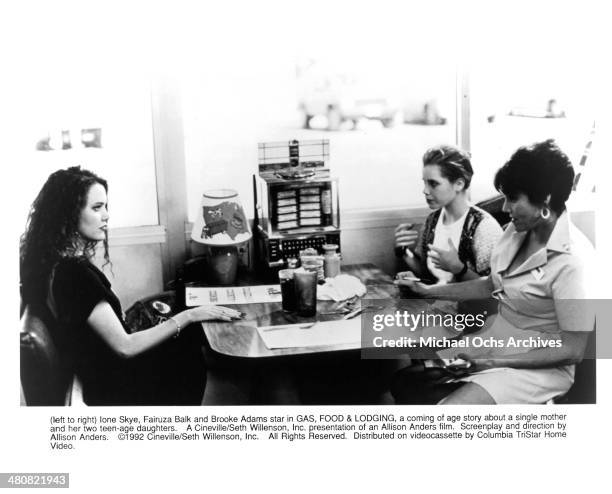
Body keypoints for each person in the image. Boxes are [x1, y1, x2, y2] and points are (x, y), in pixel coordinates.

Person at [393, 139, 595, 404]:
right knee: (403, 384)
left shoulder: (573, 260)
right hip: (500, 342)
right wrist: (428, 290)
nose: (504, 209)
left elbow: (573, 350)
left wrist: (491, 360)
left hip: (538, 367)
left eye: (513, 199)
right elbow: (492, 283)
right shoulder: (518, 230)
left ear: (544, 198)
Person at [20, 167, 242, 405]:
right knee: (188, 348)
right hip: (114, 385)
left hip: (105, 375)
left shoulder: (57, 264)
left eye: (106, 206)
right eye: (96, 208)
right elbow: (125, 346)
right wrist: (190, 315)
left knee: (185, 338)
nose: (106, 215)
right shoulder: (73, 274)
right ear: (68, 214)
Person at [394, 145, 502, 285]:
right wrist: (403, 251)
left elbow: (496, 289)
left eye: (433, 183)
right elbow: (425, 273)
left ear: (459, 184)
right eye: (425, 183)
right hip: (437, 302)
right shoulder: (432, 220)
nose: (425, 191)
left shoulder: (484, 228)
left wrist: (459, 269)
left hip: (469, 307)